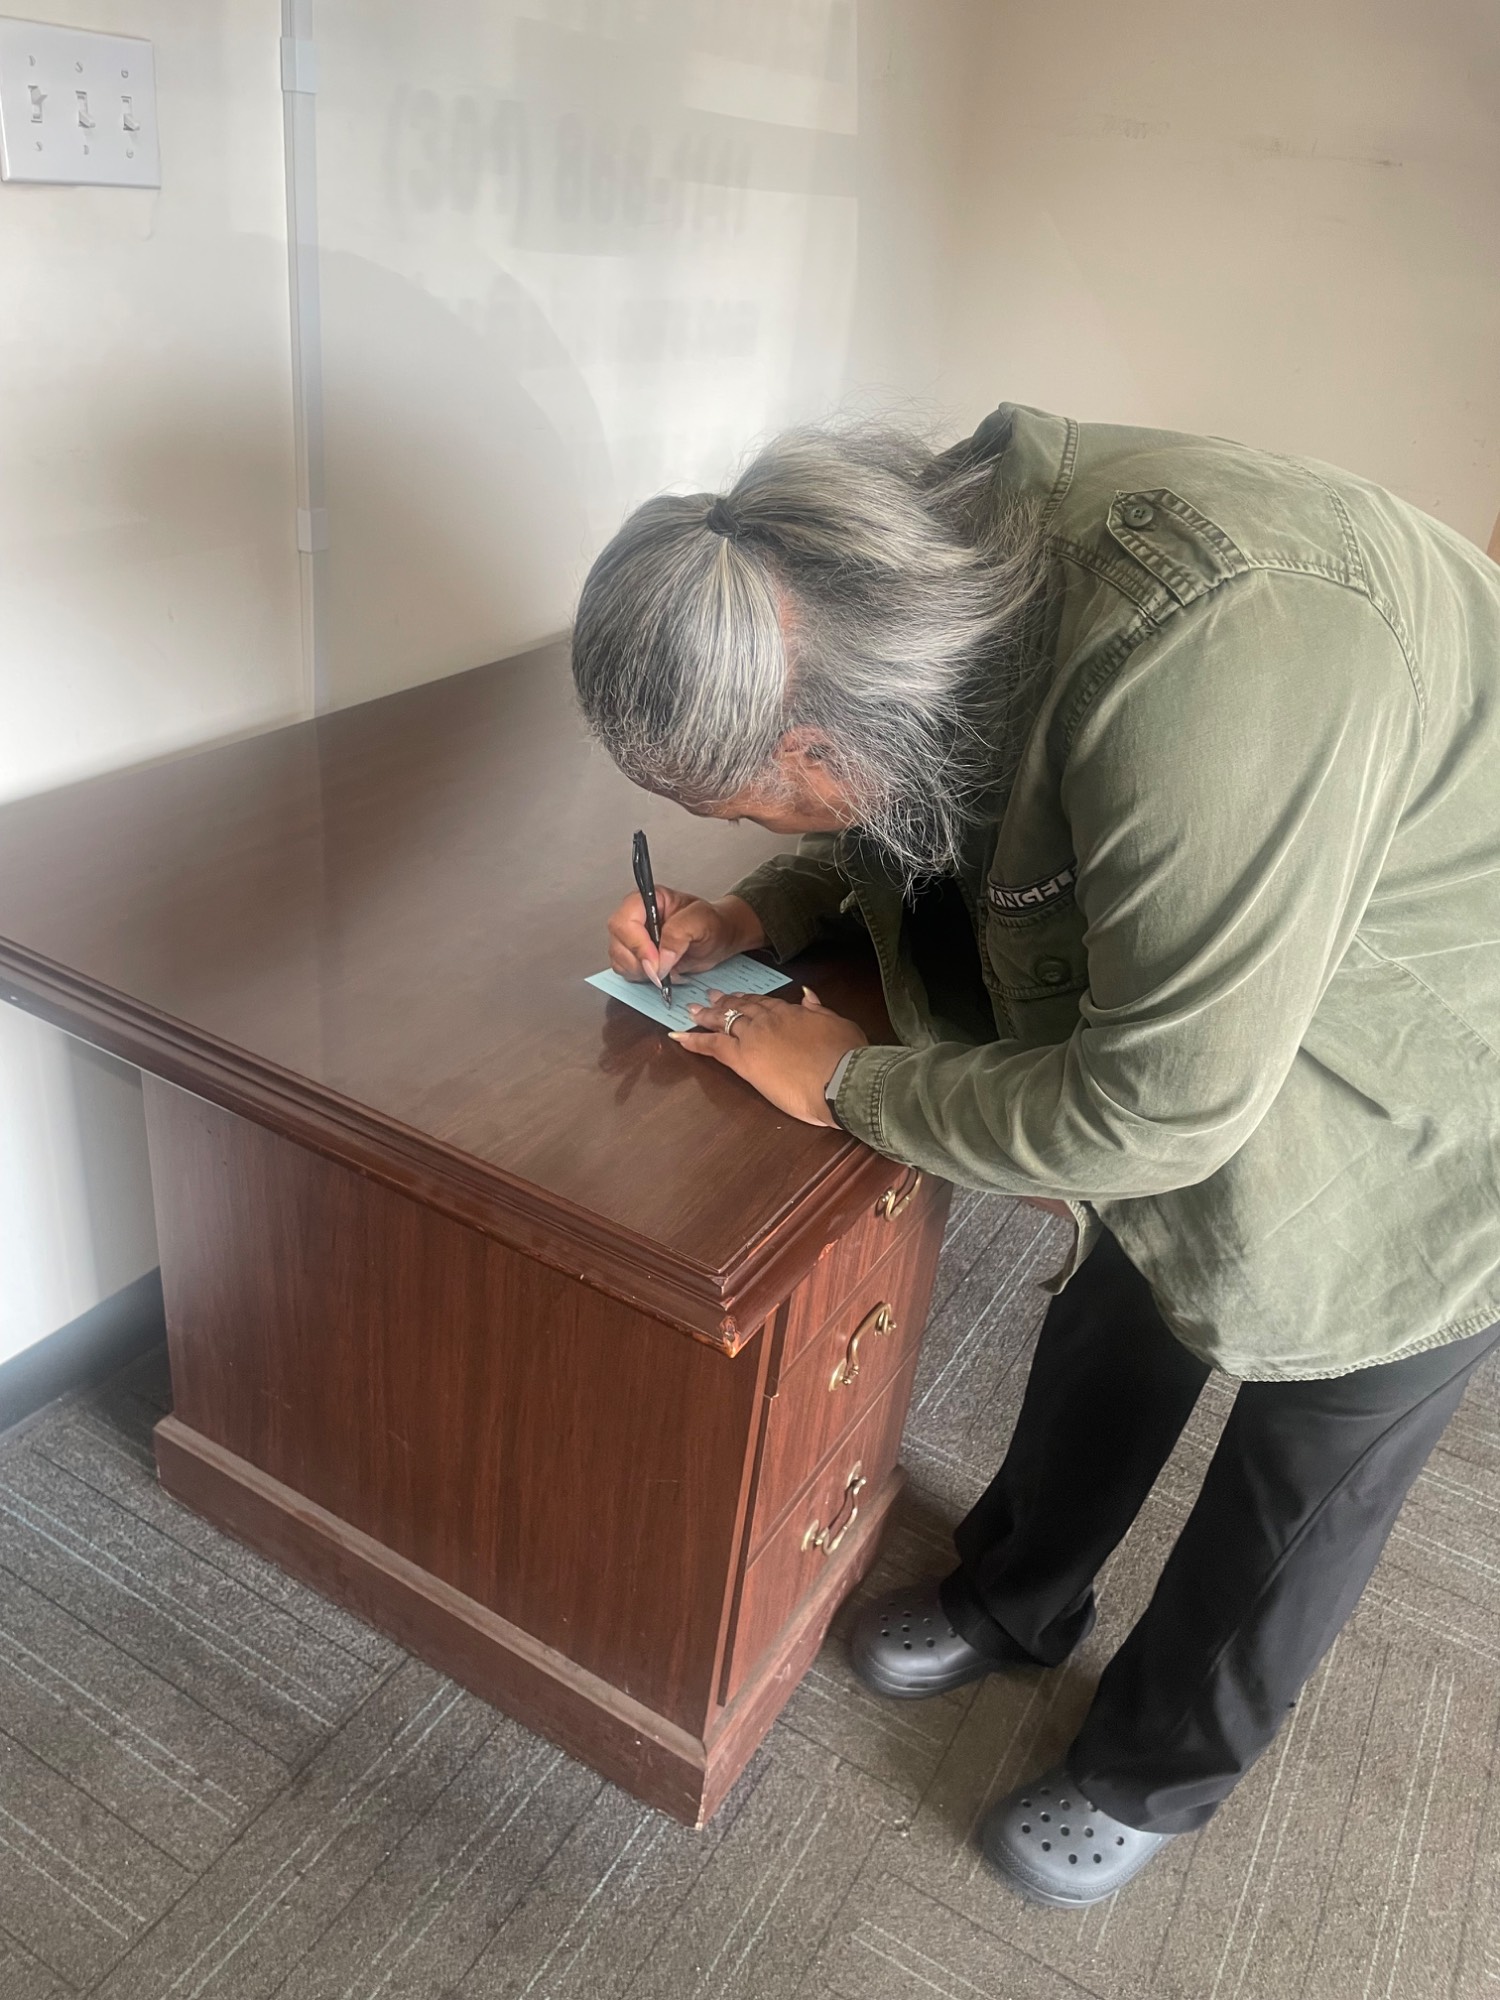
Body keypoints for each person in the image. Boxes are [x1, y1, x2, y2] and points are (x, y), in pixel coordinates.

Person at [570, 404, 1500, 1907]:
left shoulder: (1211, 660)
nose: (734, 826)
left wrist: (853, 1084)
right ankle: (1019, 1597)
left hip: (1448, 1032)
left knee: (1320, 1432)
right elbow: (935, 798)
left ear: (818, 740)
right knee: (1120, 1303)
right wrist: (763, 907)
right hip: (1228, 941)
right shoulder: (909, 573)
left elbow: (1163, 1112)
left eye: (737, 806)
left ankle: (1153, 1768)